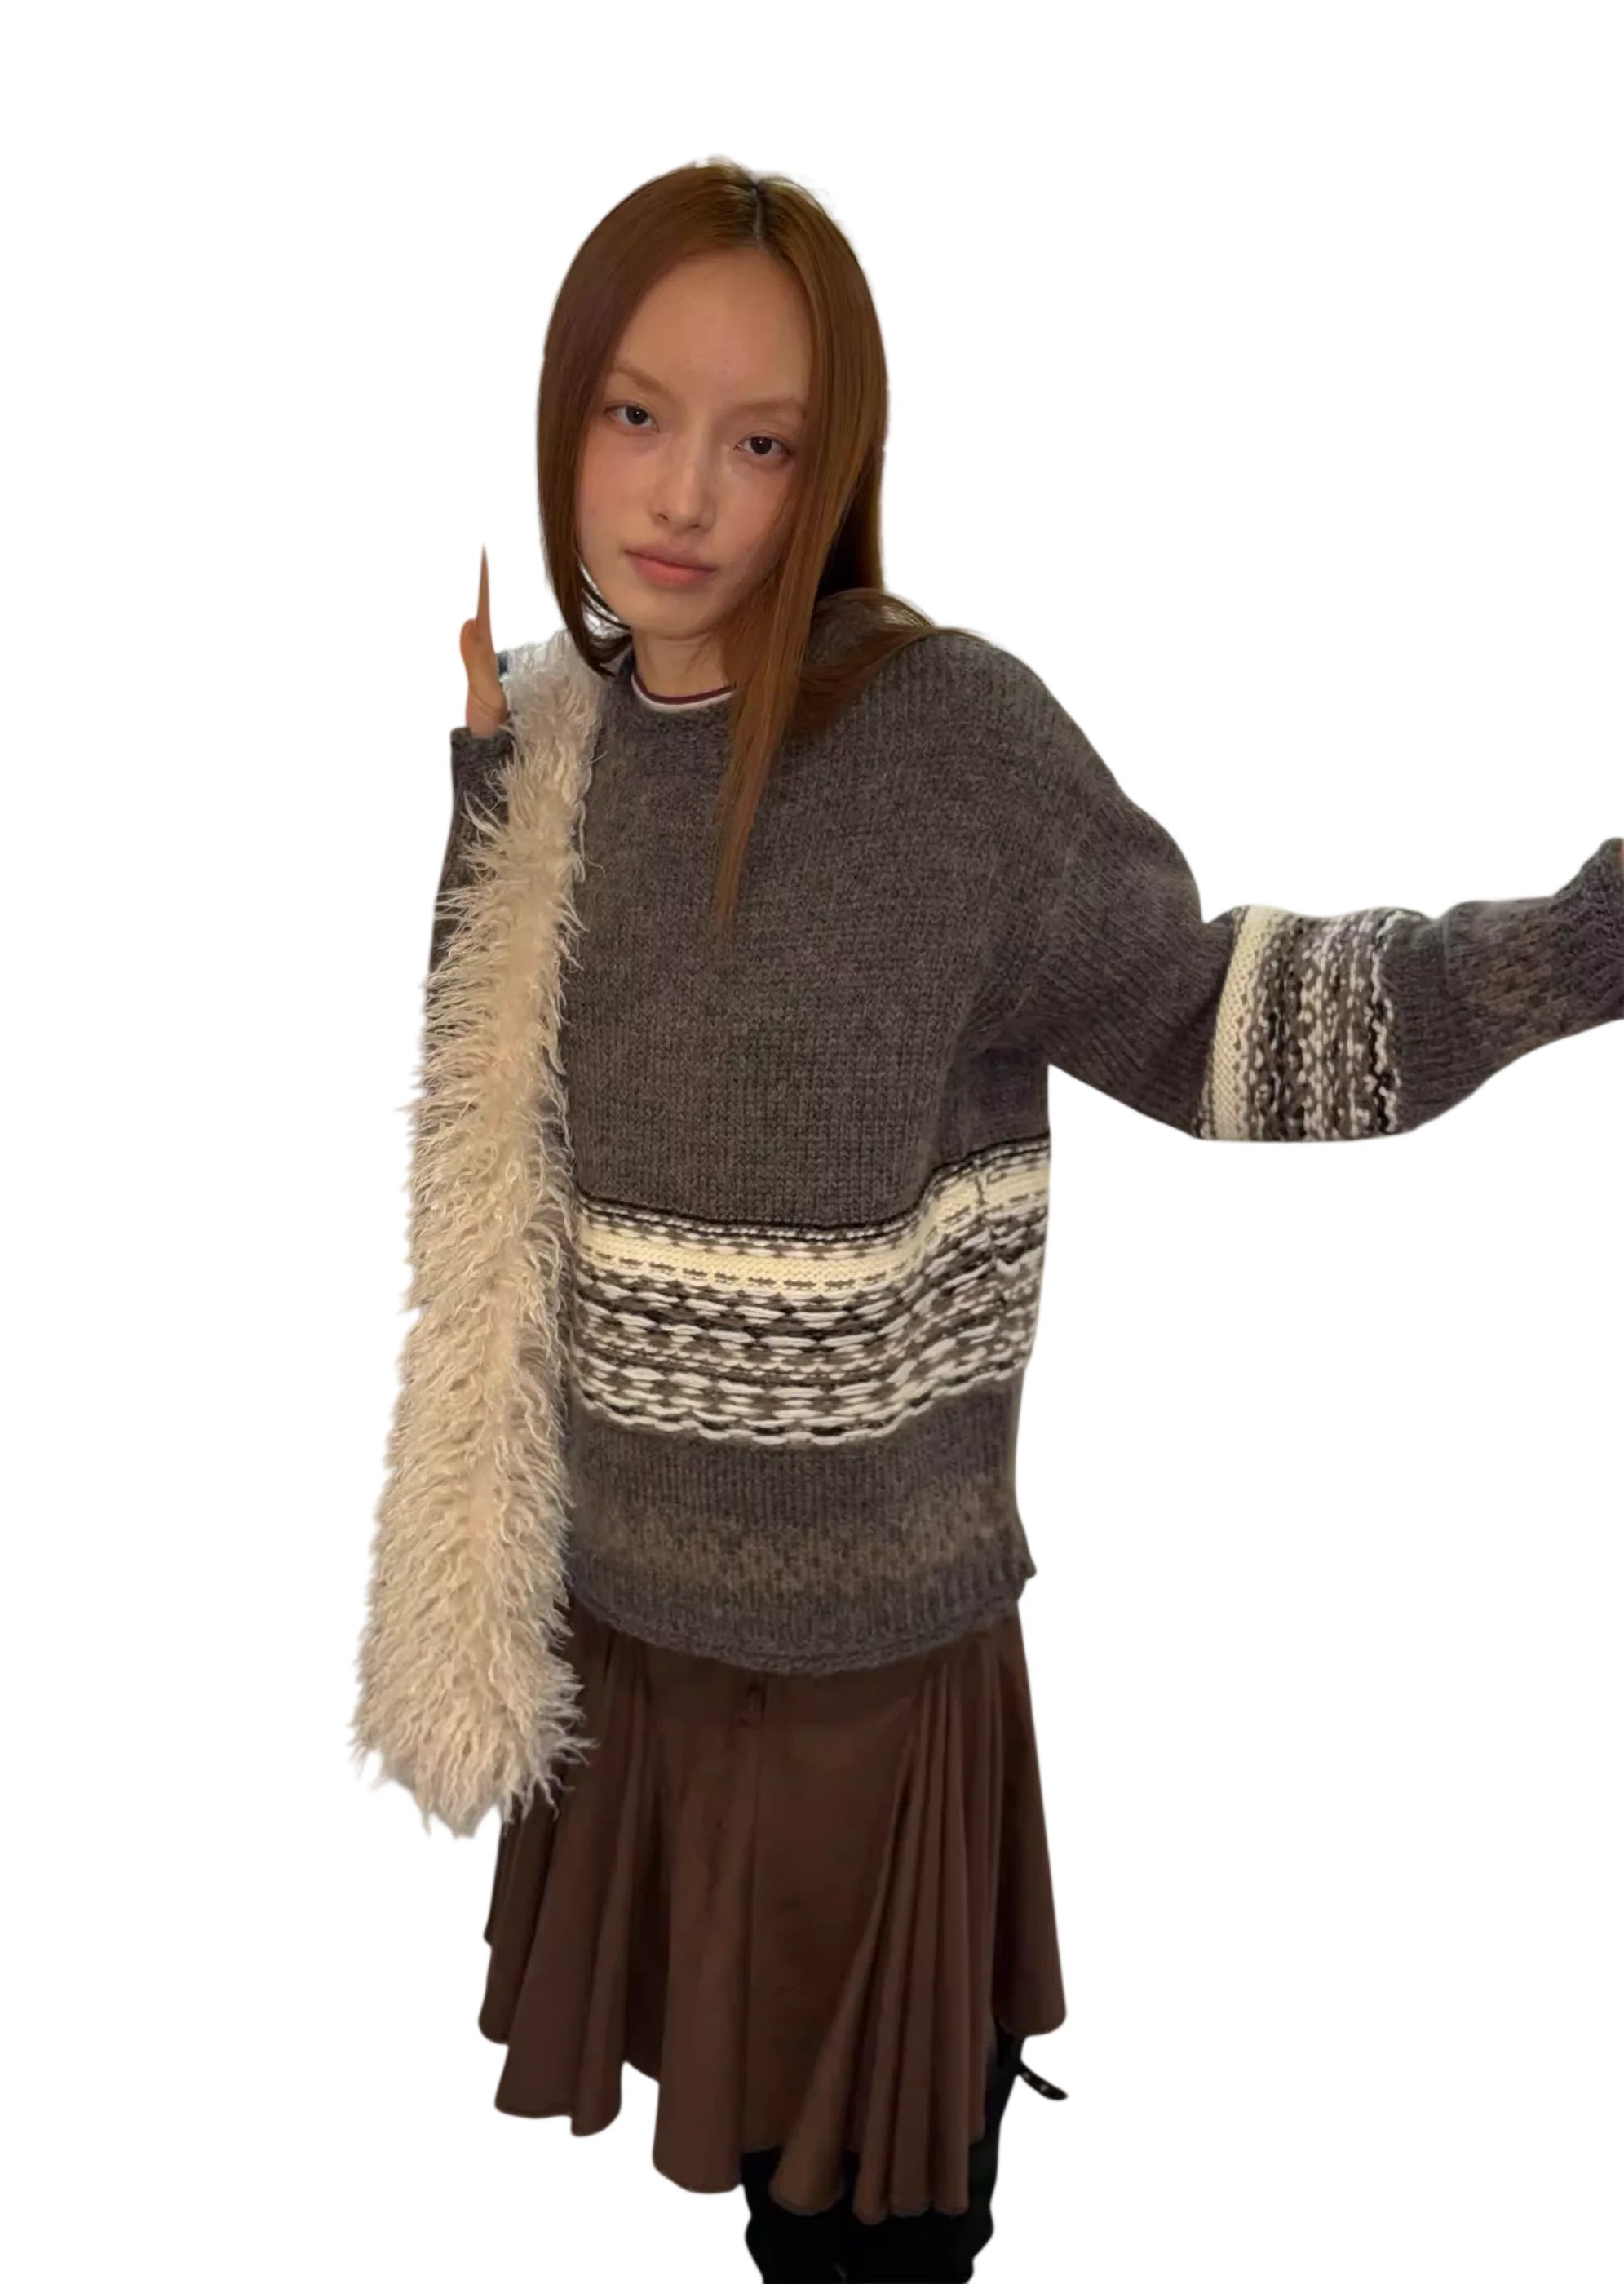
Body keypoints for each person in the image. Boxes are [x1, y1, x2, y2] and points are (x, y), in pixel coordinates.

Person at [353, 161, 1623, 2283]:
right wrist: (484, 791)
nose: (681, 492)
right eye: (634, 413)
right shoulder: (558, 736)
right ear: (564, 408)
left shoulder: (947, 747)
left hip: (859, 1659)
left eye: (762, 441)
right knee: (740, 2163)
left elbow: (1217, 1024)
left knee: (869, 2220)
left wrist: (1576, 948)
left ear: (835, 462)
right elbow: (505, 1138)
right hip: (618, 1626)